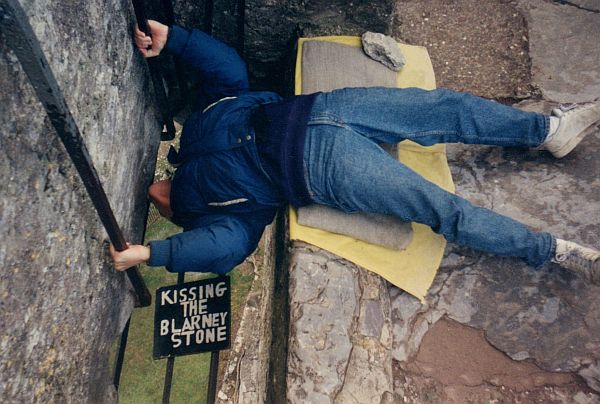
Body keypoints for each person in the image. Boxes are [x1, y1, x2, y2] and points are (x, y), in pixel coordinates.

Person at [110, 20, 600, 285]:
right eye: (159, 206)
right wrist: (156, 253)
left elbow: (228, 73)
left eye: (155, 195)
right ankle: (552, 251)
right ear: (180, 216)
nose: (154, 195)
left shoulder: (200, 126)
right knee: (441, 209)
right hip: (323, 169)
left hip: (327, 107)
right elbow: (222, 252)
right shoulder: (227, 217)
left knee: (444, 108)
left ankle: (547, 131)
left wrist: (176, 40)